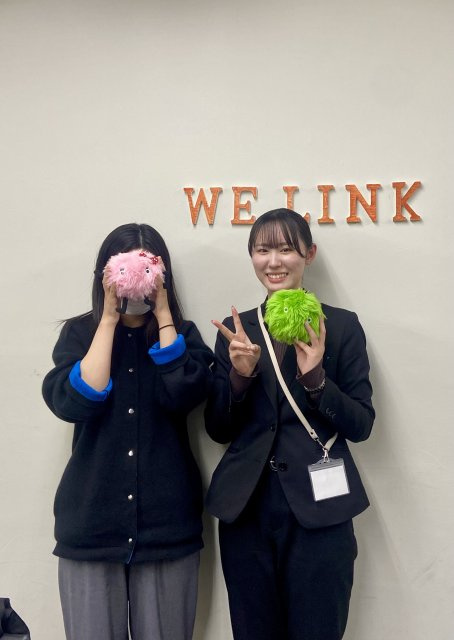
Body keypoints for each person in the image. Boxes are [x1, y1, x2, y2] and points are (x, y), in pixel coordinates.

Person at [205, 208, 375, 640]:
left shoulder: (340, 326)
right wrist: (239, 377)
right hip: (245, 509)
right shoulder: (237, 331)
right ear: (251, 256)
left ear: (308, 254)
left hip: (320, 510)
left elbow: (361, 424)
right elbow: (218, 429)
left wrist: (317, 380)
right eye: (263, 250)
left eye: (285, 249)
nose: (274, 261)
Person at [42, 223, 213, 640]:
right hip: (90, 527)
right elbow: (74, 403)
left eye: (147, 268)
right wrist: (107, 320)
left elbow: (183, 394)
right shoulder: (80, 334)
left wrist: (165, 316)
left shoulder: (182, 336)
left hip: (167, 528)